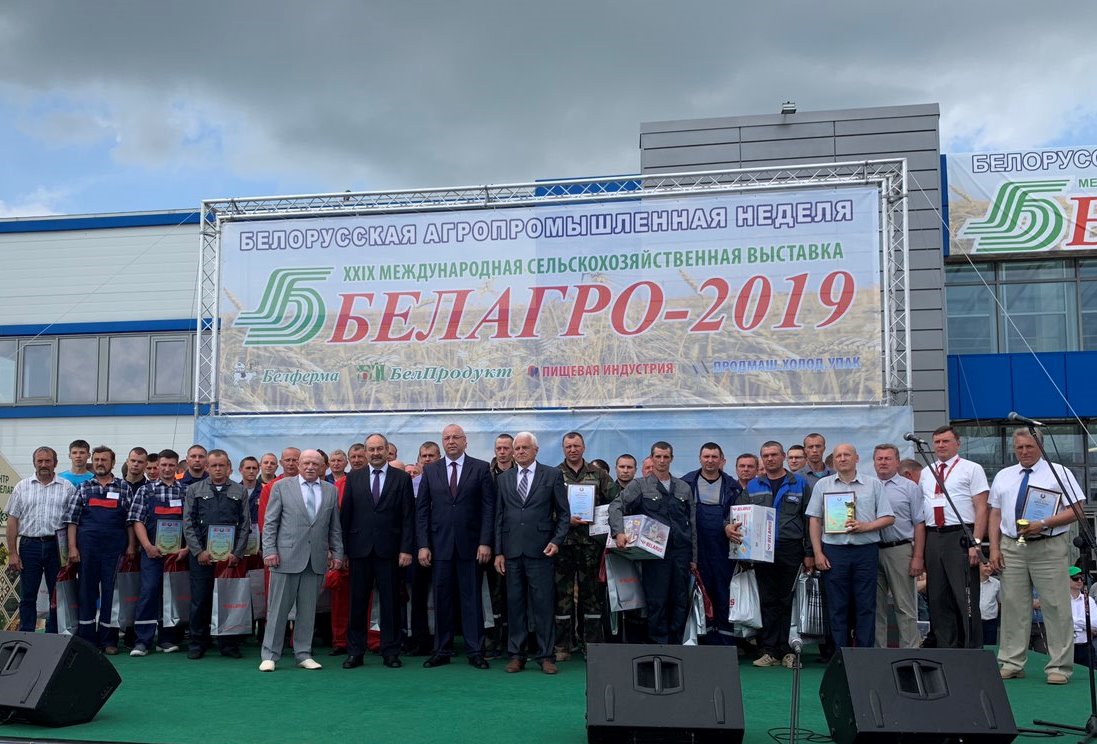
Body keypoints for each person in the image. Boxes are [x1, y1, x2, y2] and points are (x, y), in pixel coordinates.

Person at [989, 427, 1081, 684]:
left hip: (1048, 545)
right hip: (1011, 546)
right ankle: (1011, 662)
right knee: (1013, 606)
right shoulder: (1004, 475)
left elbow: (1077, 509)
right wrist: (993, 548)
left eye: (1029, 446)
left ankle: (1059, 667)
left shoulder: (1059, 472)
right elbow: (995, 513)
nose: (1024, 451)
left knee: (1056, 605)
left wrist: (1043, 523)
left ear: (1040, 447)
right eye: (1019, 447)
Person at [416, 424, 496, 669]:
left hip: (471, 547)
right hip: (439, 546)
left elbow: (488, 509)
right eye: (447, 438)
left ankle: (475, 651)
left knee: (472, 600)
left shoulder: (480, 468)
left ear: (465, 441)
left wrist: (485, 542)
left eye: (456, 437)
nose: (451, 441)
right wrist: (423, 545)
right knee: (442, 599)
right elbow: (422, 511)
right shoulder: (431, 471)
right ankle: (442, 650)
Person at [730, 441, 812, 668]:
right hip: (762, 551)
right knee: (767, 600)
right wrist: (728, 526)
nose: (770, 458)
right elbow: (737, 515)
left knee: (787, 601)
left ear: (783, 456)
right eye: (765, 455)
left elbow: (809, 520)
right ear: (761, 459)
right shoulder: (753, 485)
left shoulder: (799, 483)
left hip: (790, 549)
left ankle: (788, 651)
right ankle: (769, 650)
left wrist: (809, 553)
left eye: (774, 454)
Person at [260, 449, 343, 671]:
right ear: (298, 465)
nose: (310, 467)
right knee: (278, 610)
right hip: (284, 558)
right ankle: (270, 655)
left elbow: (334, 526)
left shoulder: (330, 490)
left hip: (315, 559)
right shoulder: (281, 487)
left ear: (322, 467)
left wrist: (337, 553)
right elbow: (270, 523)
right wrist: (269, 551)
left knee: (307, 611)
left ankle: (303, 654)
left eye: (315, 463)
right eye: (306, 463)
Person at [494, 432, 570, 674]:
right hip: (512, 551)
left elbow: (564, 514)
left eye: (525, 447)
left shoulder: (552, 475)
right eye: (516, 448)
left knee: (543, 605)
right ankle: (517, 655)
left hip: (542, 551)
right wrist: (498, 552)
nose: (520, 452)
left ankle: (545, 656)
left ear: (536, 450)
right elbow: (498, 517)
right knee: (515, 604)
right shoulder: (504, 479)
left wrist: (556, 541)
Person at [609, 441, 697, 645]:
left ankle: (677, 644)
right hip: (655, 555)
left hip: (681, 553)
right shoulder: (640, 485)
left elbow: (692, 524)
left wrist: (694, 558)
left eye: (666, 457)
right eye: (658, 457)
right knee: (657, 600)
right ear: (651, 458)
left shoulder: (683, 487)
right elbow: (616, 507)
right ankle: (659, 645)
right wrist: (619, 532)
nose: (662, 461)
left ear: (671, 459)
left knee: (680, 600)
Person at [807, 444, 894, 649]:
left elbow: (889, 517)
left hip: (865, 551)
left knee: (866, 604)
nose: (843, 458)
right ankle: (840, 654)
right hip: (834, 552)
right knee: (837, 605)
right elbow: (814, 520)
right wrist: (818, 553)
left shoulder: (873, 485)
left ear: (857, 458)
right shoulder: (823, 485)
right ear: (834, 460)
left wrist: (866, 526)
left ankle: (864, 654)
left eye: (847, 455)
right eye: (838, 455)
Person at [341, 434, 414, 670]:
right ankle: (355, 651)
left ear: (387, 450)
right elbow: (346, 515)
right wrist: (343, 551)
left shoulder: (402, 478)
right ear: (365, 452)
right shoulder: (353, 477)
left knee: (390, 603)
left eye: (379, 449)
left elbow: (408, 516)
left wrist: (406, 549)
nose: (375, 453)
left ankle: (390, 651)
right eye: (371, 449)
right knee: (357, 603)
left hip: (390, 550)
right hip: (359, 550)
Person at [920, 425, 988, 649]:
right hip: (933, 535)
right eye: (937, 442)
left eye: (946, 441)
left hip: (960, 534)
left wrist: (976, 542)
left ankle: (971, 647)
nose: (941, 445)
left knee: (964, 596)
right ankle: (945, 647)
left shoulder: (971, 469)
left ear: (957, 444)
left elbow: (981, 507)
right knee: (937, 596)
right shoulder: (927, 471)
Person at [65, 445, 136, 653]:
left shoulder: (124, 488)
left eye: (104, 460)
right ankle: (87, 640)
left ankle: (109, 640)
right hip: (87, 549)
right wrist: (72, 548)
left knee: (111, 594)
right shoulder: (83, 487)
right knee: (86, 592)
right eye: (96, 460)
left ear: (112, 463)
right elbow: (72, 521)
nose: (99, 463)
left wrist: (131, 546)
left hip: (115, 550)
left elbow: (130, 521)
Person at [183, 449, 250, 659]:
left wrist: (237, 553)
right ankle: (198, 642)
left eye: (222, 465)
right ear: (207, 467)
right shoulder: (194, 489)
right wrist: (198, 551)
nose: (218, 469)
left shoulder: (240, 490)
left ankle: (228, 643)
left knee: (228, 600)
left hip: (229, 558)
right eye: (214, 466)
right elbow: (188, 523)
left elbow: (245, 524)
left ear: (228, 467)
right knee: (200, 600)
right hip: (202, 557)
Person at [555, 431, 613, 659]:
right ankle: (562, 646)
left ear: (583, 448)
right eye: (568, 446)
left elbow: (615, 502)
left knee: (592, 596)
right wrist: (564, 518)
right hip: (564, 544)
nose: (572, 450)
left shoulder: (599, 474)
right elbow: (544, 507)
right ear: (563, 449)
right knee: (562, 596)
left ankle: (592, 646)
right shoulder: (553, 474)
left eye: (576, 446)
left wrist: (600, 517)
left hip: (591, 546)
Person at [6, 446, 73, 634]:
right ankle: (27, 634)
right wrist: (12, 553)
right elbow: (12, 520)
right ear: (34, 463)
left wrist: (71, 549)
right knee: (27, 595)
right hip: (29, 546)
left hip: (57, 546)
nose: (43, 464)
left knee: (57, 594)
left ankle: (53, 635)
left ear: (55, 463)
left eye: (47, 461)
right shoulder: (22, 487)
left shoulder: (67, 487)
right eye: (40, 461)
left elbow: (73, 522)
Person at [681, 442, 741, 645]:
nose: (710, 460)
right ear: (700, 459)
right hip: (697, 550)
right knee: (700, 595)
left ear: (722, 460)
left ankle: (725, 642)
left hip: (724, 551)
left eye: (714, 457)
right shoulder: (686, 483)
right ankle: (703, 641)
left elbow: (741, 516)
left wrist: (727, 526)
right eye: (706, 456)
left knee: (724, 595)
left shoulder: (733, 486)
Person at [128, 448, 187, 655]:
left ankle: (167, 639)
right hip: (152, 552)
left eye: (171, 465)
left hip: (177, 555)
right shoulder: (146, 491)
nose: (167, 469)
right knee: (149, 591)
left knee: (171, 594)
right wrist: (147, 546)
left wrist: (187, 548)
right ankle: (142, 641)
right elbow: (137, 520)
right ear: (157, 466)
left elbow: (192, 523)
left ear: (177, 467)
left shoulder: (185, 491)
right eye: (163, 465)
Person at [872, 443, 925, 648]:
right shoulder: (867, 486)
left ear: (897, 461)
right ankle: (878, 653)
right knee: (875, 607)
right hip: (871, 550)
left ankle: (909, 651)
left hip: (900, 550)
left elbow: (919, 523)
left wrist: (918, 556)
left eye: (888, 458)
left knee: (904, 605)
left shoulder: (909, 487)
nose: (883, 462)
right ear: (874, 462)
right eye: (879, 459)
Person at [406, 440, 442, 656]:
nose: (427, 459)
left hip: (443, 547)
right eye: (424, 456)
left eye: (431, 456)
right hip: (417, 547)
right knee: (418, 597)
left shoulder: (447, 481)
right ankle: (419, 641)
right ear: (418, 460)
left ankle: (442, 641)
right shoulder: (410, 485)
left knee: (443, 595)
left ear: (439, 458)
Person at [486, 433, 515, 656]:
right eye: (499, 448)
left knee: (515, 593)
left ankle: (517, 641)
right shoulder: (485, 474)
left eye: (506, 448)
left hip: (516, 539)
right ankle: (494, 641)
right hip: (491, 541)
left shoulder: (521, 473)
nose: (503, 452)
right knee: (494, 593)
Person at [1070, 567, 1097, 668]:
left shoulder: (1089, 600)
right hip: (1066, 647)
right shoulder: (1060, 601)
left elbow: (1095, 623)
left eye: (1082, 578)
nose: (1079, 581)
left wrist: (1073, 621)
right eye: (1075, 578)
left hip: (1086, 645)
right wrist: (1085, 626)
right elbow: (1060, 623)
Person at [980, 563, 1001, 645]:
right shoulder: (970, 581)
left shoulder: (997, 583)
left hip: (991, 622)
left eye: (991, 566)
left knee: (990, 646)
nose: (989, 569)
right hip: (974, 621)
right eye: (986, 566)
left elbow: (1000, 601)